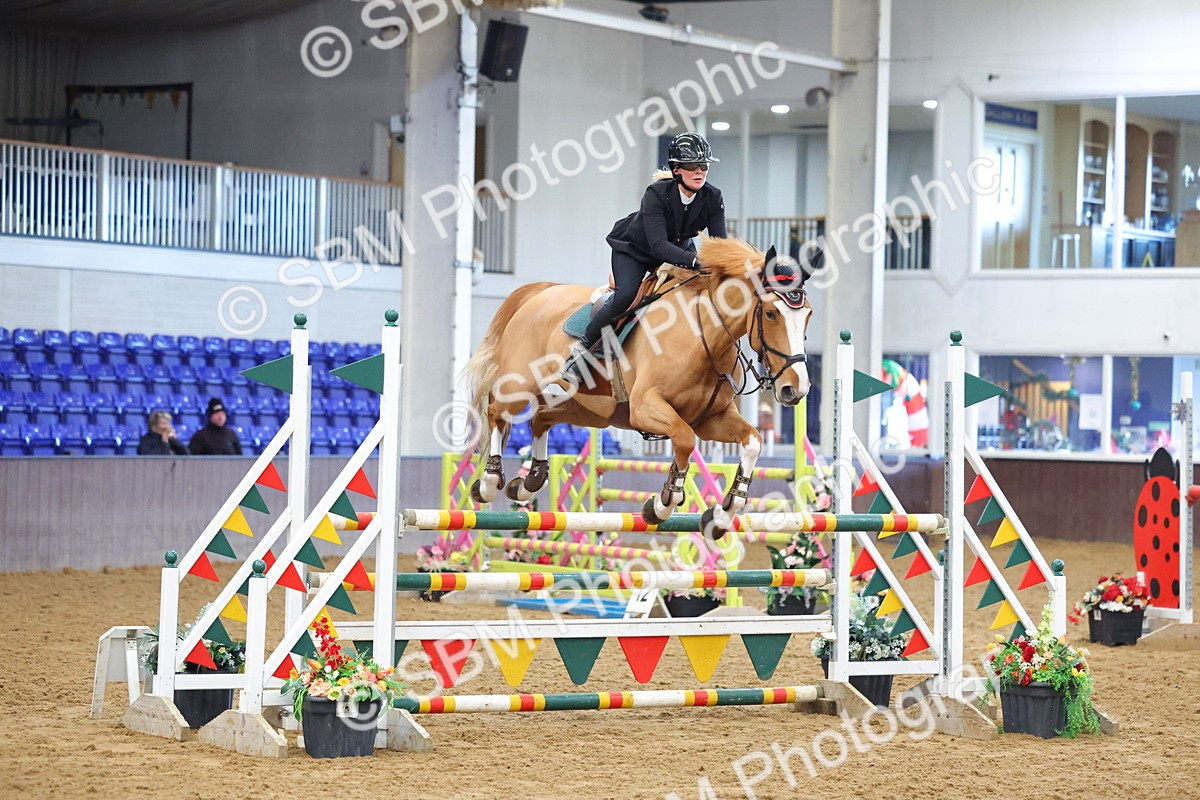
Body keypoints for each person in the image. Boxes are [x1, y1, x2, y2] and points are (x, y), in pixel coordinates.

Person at [562, 131, 727, 383]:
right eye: (692, 165)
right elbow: (659, 246)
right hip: (635, 250)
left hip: (678, 249)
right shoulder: (657, 193)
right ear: (676, 169)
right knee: (626, 296)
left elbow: (719, 245)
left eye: (704, 165)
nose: (700, 171)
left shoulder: (712, 197)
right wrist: (695, 262)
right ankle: (581, 353)